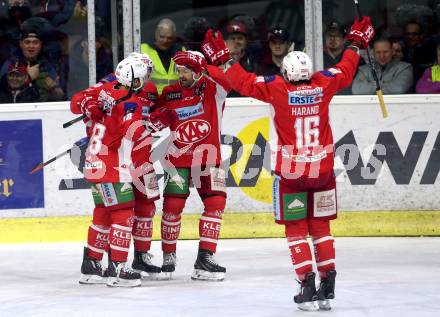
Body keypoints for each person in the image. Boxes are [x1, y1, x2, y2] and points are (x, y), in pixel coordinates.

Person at [201, 17, 375, 310]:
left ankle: (307, 284)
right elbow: (346, 69)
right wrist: (355, 42)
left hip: (292, 173)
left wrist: (223, 60)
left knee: (296, 229)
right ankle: (327, 279)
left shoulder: (277, 88)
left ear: (286, 71)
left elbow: (241, 81)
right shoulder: (324, 83)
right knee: (320, 226)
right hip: (322, 171)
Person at [71, 55, 175, 287]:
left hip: (108, 163)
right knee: (122, 213)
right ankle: (117, 268)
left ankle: (95, 264)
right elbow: (132, 130)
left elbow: (104, 110)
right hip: (116, 165)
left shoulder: (109, 89)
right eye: (145, 75)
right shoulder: (129, 99)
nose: (148, 79)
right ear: (136, 78)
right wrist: (152, 125)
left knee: (112, 212)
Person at [156, 50, 231, 281]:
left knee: (216, 203)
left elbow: (227, 81)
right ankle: (168, 257)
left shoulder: (213, 89)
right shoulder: (169, 93)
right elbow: (152, 117)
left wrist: (216, 62)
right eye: (179, 70)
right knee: (172, 207)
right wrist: (156, 118)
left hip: (209, 157)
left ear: (198, 71)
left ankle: (205, 258)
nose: (181, 74)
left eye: (186, 70)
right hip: (178, 159)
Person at [0, 29, 64, 101]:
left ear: (40, 45)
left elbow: (59, 96)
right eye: (27, 42)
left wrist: (54, 89)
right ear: (21, 44)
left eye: (35, 43)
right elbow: (4, 93)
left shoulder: (46, 66)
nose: (31, 46)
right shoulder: (10, 64)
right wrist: (29, 78)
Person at [141, 18, 183, 94]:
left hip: (176, 98)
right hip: (152, 97)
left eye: (169, 38)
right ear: (156, 34)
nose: (165, 41)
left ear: (174, 37)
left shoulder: (182, 50)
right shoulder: (143, 49)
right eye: (162, 37)